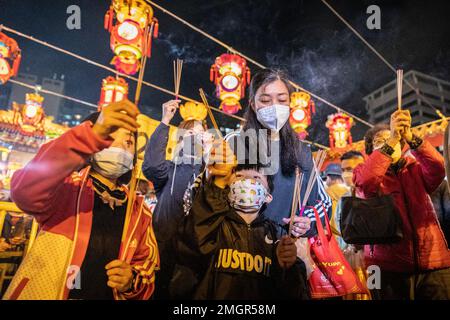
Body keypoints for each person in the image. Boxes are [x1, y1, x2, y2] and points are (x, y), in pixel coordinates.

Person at [3, 100, 159, 300]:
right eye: (109, 138)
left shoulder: (139, 211)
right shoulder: (66, 187)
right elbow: (24, 190)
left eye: (129, 142)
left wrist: (131, 280)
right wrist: (90, 136)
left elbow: (146, 269)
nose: (120, 146)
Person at [214, 69, 332, 239]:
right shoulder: (234, 142)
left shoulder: (301, 151)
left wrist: (308, 221)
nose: (274, 107)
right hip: (237, 249)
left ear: (290, 103)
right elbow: (209, 194)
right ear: (253, 105)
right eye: (265, 100)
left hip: (284, 252)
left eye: (282, 99)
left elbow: (324, 202)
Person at [354, 109, 450, 300]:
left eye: (392, 139)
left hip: (433, 261)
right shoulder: (362, 171)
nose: (387, 142)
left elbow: (438, 168)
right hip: (382, 267)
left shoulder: (415, 168)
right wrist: (390, 142)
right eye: (379, 142)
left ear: (402, 145)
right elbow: (366, 183)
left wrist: (409, 135)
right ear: (371, 151)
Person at [189, 159, 309, 299]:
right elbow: (189, 252)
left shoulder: (278, 236)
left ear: (268, 197)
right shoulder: (212, 226)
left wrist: (289, 267)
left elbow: (295, 292)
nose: (247, 181)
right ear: (228, 188)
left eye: (256, 177)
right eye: (239, 176)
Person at [142, 99, 213, 299]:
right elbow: (152, 166)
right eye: (188, 134)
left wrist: (209, 154)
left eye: (198, 134)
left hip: (194, 256)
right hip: (161, 249)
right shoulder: (168, 170)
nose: (193, 138)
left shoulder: (207, 171)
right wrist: (165, 120)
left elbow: (216, 193)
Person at [323, 163, 350, 236]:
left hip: (334, 237)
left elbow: (328, 221)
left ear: (329, 177)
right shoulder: (350, 192)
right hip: (349, 236)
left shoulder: (326, 194)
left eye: (326, 178)